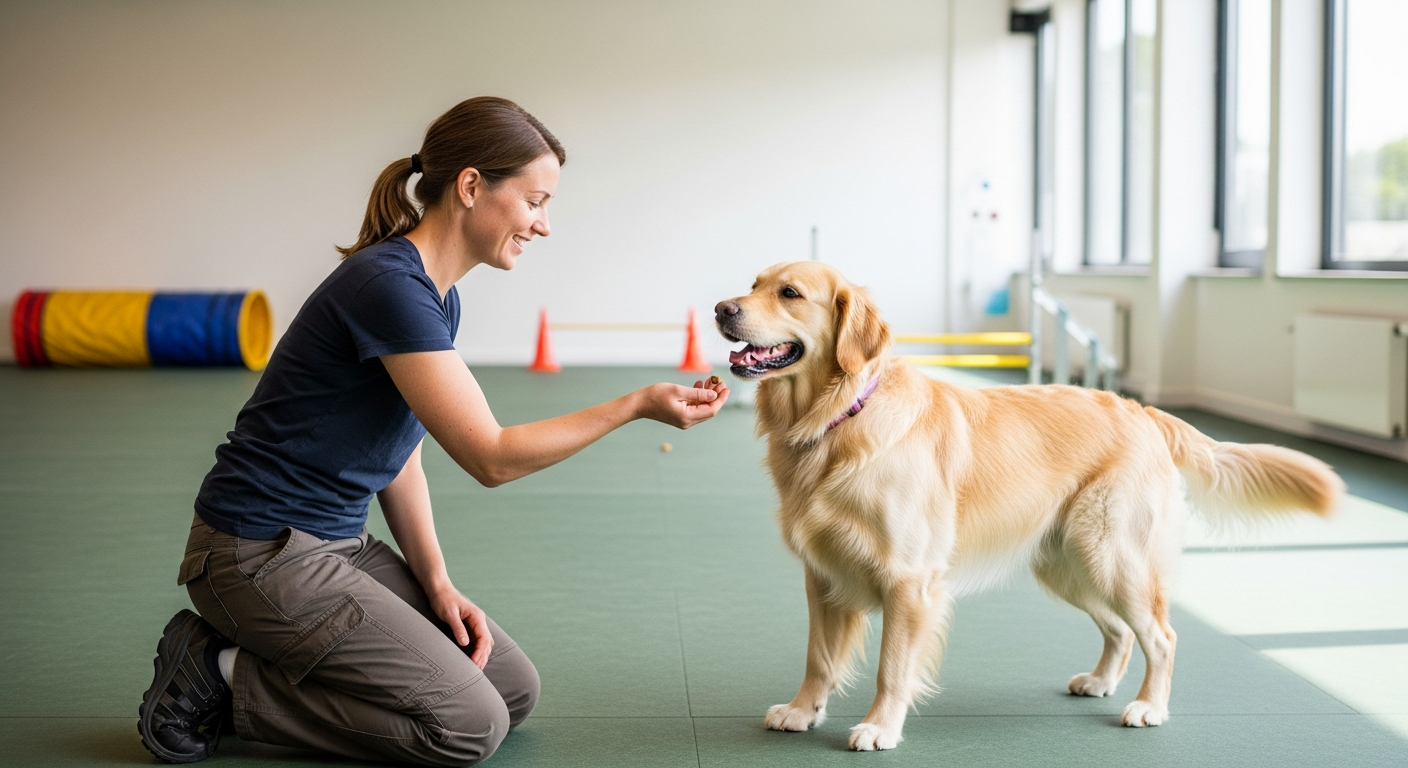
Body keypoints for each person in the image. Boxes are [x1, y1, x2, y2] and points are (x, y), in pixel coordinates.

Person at [137, 96, 729, 766]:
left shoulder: (434, 295)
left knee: (509, 689)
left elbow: (400, 452)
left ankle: (260, 662)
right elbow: (490, 457)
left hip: (337, 545)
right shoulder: (387, 286)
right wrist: (634, 404)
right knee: (469, 726)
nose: (544, 224)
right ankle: (216, 670)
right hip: (255, 556)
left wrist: (437, 582)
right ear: (472, 186)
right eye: (535, 201)